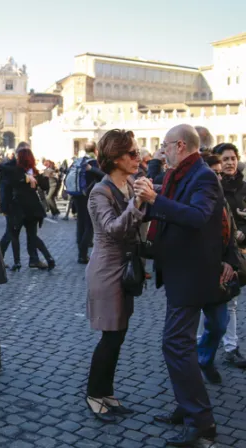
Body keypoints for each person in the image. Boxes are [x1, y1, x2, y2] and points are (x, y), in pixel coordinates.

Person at [135, 124, 224, 446]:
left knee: (176, 344)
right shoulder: (182, 175)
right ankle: (188, 408)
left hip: (192, 273)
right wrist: (152, 192)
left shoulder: (201, 176)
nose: (162, 150)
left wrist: (155, 197)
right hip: (179, 271)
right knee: (178, 344)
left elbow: (197, 216)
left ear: (182, 146)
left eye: (166, 145)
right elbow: (171, 205)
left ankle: (201, 419)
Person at [84, 129, 145, 422]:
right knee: (110, 336)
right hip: (107, 270)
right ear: (115, 158)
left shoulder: (131, 184)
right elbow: (113, 229)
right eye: (132, 153)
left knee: (118, 335)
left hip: (126, 268)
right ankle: (94, 395)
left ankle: (107, 393)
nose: (138, 157)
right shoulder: (100, 191)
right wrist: (138, 204)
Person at [201, 145, 246, 369]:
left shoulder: (244, 187)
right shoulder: (210, 187)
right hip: (212, 255)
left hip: (237, 254)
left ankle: (230, 348)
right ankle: (200, 346)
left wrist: (242, 231)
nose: (230, 163)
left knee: (232, 302)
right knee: (207, 302)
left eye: (233, 158)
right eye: (225, 159)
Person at [0, 146, 55, 271]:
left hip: (21, 209)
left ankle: (21, 262)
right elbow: (44, 186)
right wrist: (29, 177)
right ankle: (44, 258)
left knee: (16, 235)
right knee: (26, 235)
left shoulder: (22, 171)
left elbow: (0, 167)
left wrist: (44, 176)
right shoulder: (25, 171)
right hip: (28, 209)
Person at [76, 142, 105, 264]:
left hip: (78, 195)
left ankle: (80, 253)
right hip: (88, 195)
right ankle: (82, 255)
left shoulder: (79, 160)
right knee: (89, 225)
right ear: (95, 150)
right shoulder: (93, 162)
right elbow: (103, 176)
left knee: (80, 223)